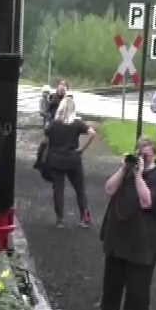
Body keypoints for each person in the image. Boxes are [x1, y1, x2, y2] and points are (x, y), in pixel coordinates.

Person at [94, 137, 156, 310]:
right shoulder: (126, 172)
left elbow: (147, 202)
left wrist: (138, 176)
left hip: (143, 240)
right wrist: (124, 169)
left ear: (154, 153)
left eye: (145, 153)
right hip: (118, 236)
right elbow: (109, 189)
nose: (141, 157)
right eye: (139, 152)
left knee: (138, 287)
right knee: (111, 284)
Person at [41, 95, 95, 227]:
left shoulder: (53, 124)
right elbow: (92, 133)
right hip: (73, 159)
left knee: (58, 189)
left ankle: (60, 220)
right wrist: (81, 149)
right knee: (80, 189)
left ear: (60, 108)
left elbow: (45, 140)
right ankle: (85, 218)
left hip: (55, 160)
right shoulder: (77, 123)